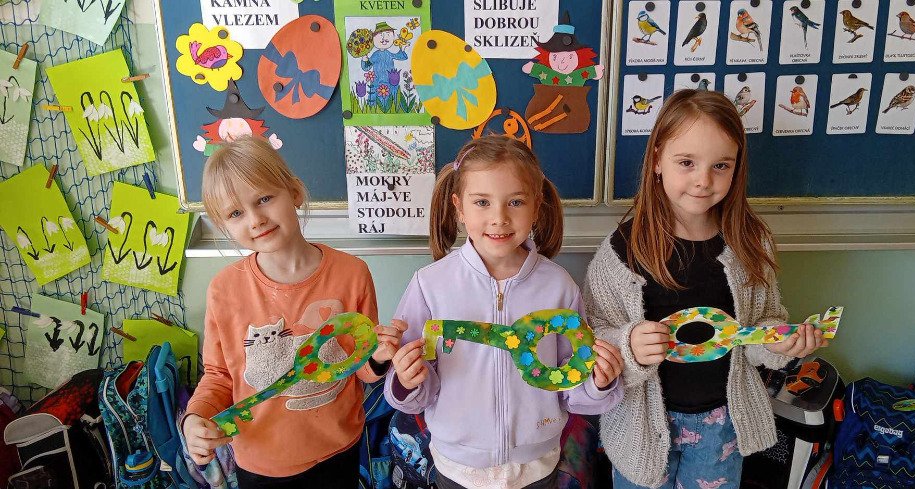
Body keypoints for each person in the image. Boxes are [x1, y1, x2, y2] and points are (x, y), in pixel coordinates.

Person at [584, 90, 827, 489]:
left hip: (723, 426)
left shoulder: (750, 243)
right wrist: (628, 346)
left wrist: (780, 343)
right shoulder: (622, 250)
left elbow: (760, 328)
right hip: (641, 428)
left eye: (720, 166)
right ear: (657, 160)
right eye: (686, 162)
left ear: (736, 167)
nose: (703, 180)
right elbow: (592, 336)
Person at [386, 135, 624, 489]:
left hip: (537, 464)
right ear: (459, 208)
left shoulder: (558, 286)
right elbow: (415, 386)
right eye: (482, 202)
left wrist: (599, 381)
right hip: (458, 466)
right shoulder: (429, 284)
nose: (499, 218)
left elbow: (571, 382)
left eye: (515, 201)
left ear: (536, 206)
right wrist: (407, 380)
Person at [181, 135, 403, 488]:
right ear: (224, 225)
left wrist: (378, 357)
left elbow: (359, 365)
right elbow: (219, 376)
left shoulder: (352, 274)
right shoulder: (224, 290)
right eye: (236, 213)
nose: (256, 219)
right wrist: (195, 418)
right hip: (261, 461)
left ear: (295, 192)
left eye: (264, 199)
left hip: (339, 450)